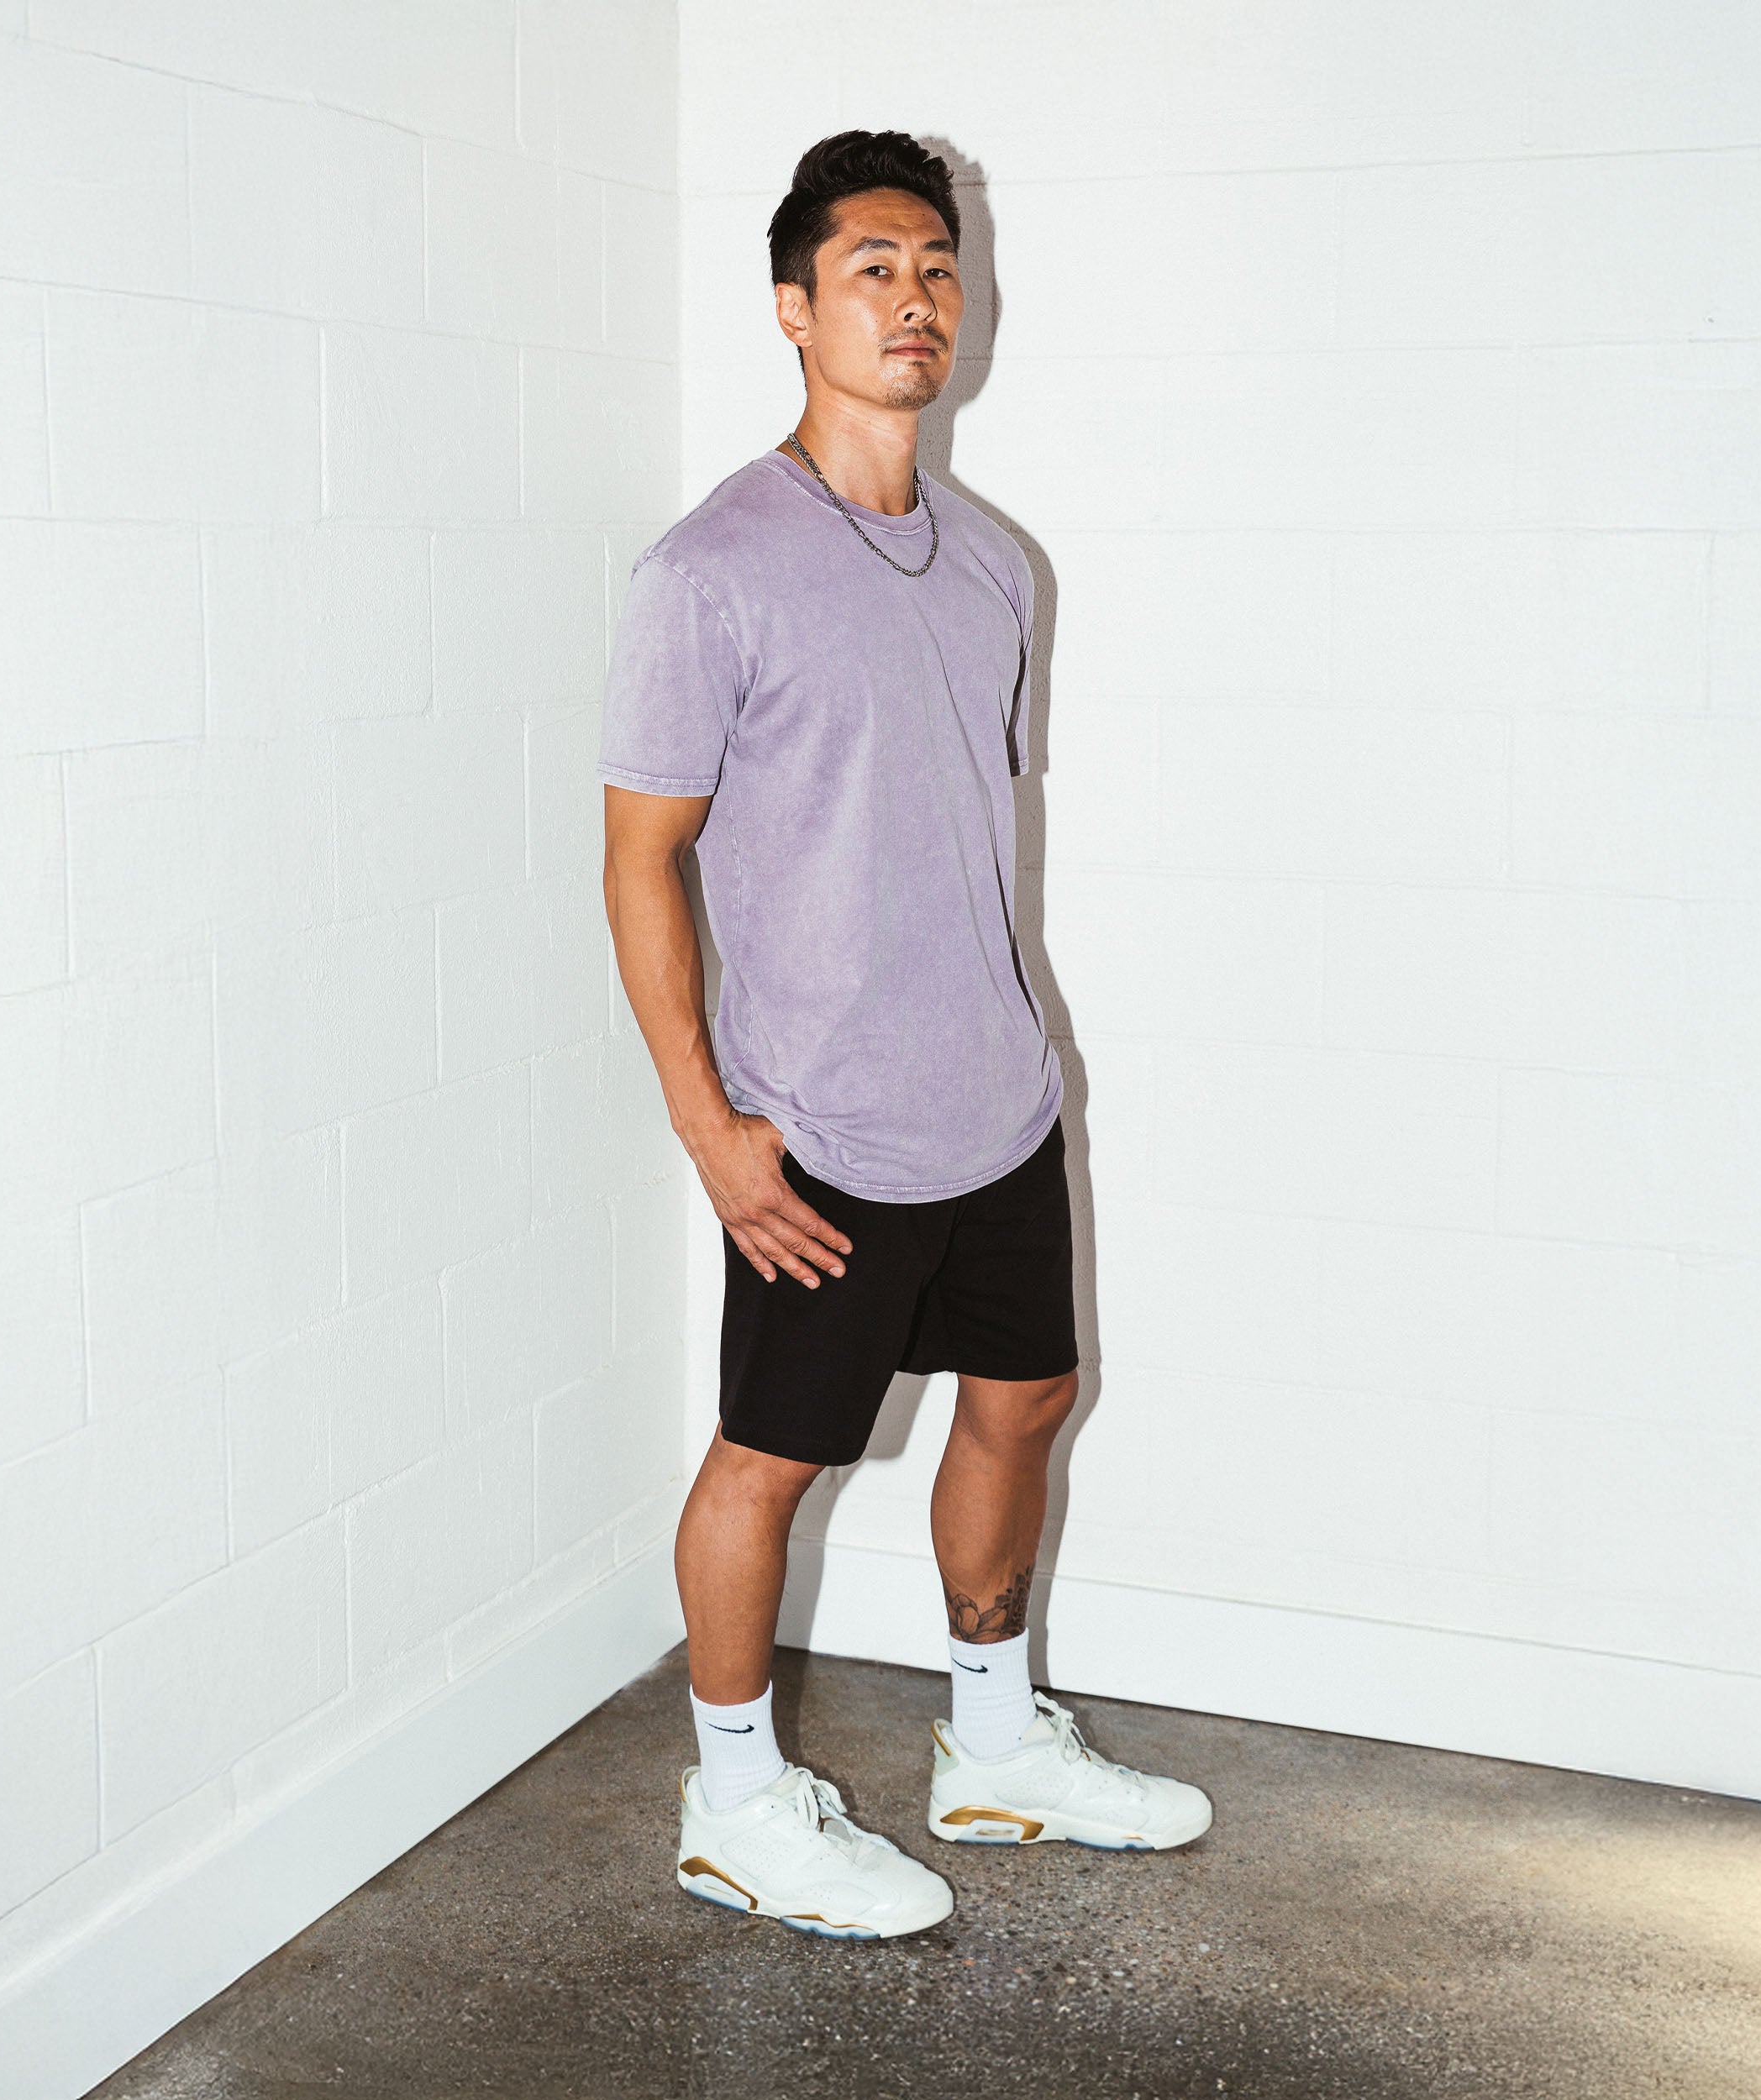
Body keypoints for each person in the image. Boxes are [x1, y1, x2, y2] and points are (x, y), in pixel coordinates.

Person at [598, 129, 1211, 1941]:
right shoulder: (707, 571)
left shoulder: (1002, 571)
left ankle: (997, 1737)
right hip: (824, 1124)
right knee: (769, 1460)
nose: (917, 300)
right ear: (793, 309)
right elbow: (642, 867)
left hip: (999, 1099)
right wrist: (715, 1131)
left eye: (939, 267)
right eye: (873, 267)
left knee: (1029, 1397)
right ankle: (731, 1797)